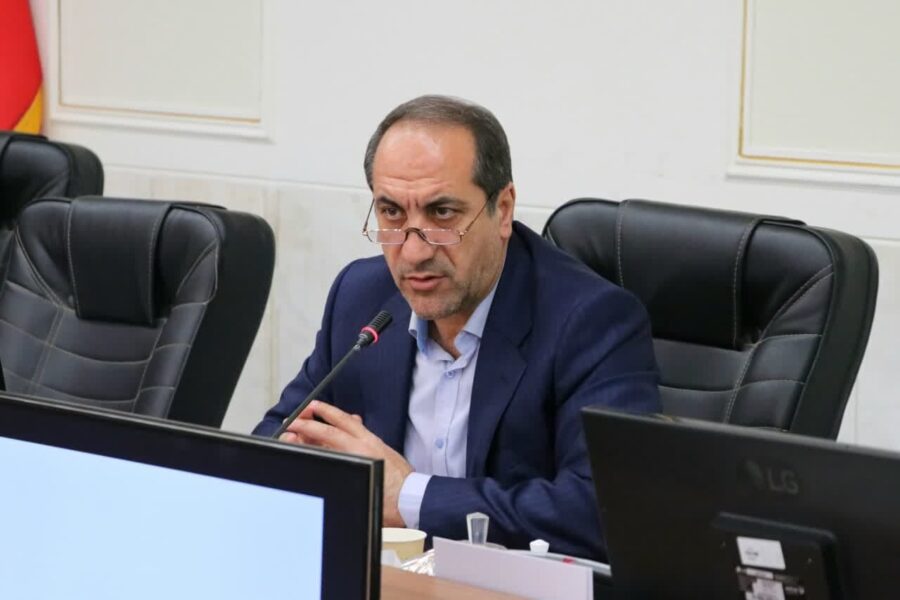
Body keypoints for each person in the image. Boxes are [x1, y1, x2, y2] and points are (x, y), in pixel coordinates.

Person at [253, 95, 660, 559]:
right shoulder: (361, 297)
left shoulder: (591, 321)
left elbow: (601, 512)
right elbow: (273, 441)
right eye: (392, 213)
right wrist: (307, 462)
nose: (413, 252)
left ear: (502, 210)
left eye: (442, 214)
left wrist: (407, 496)